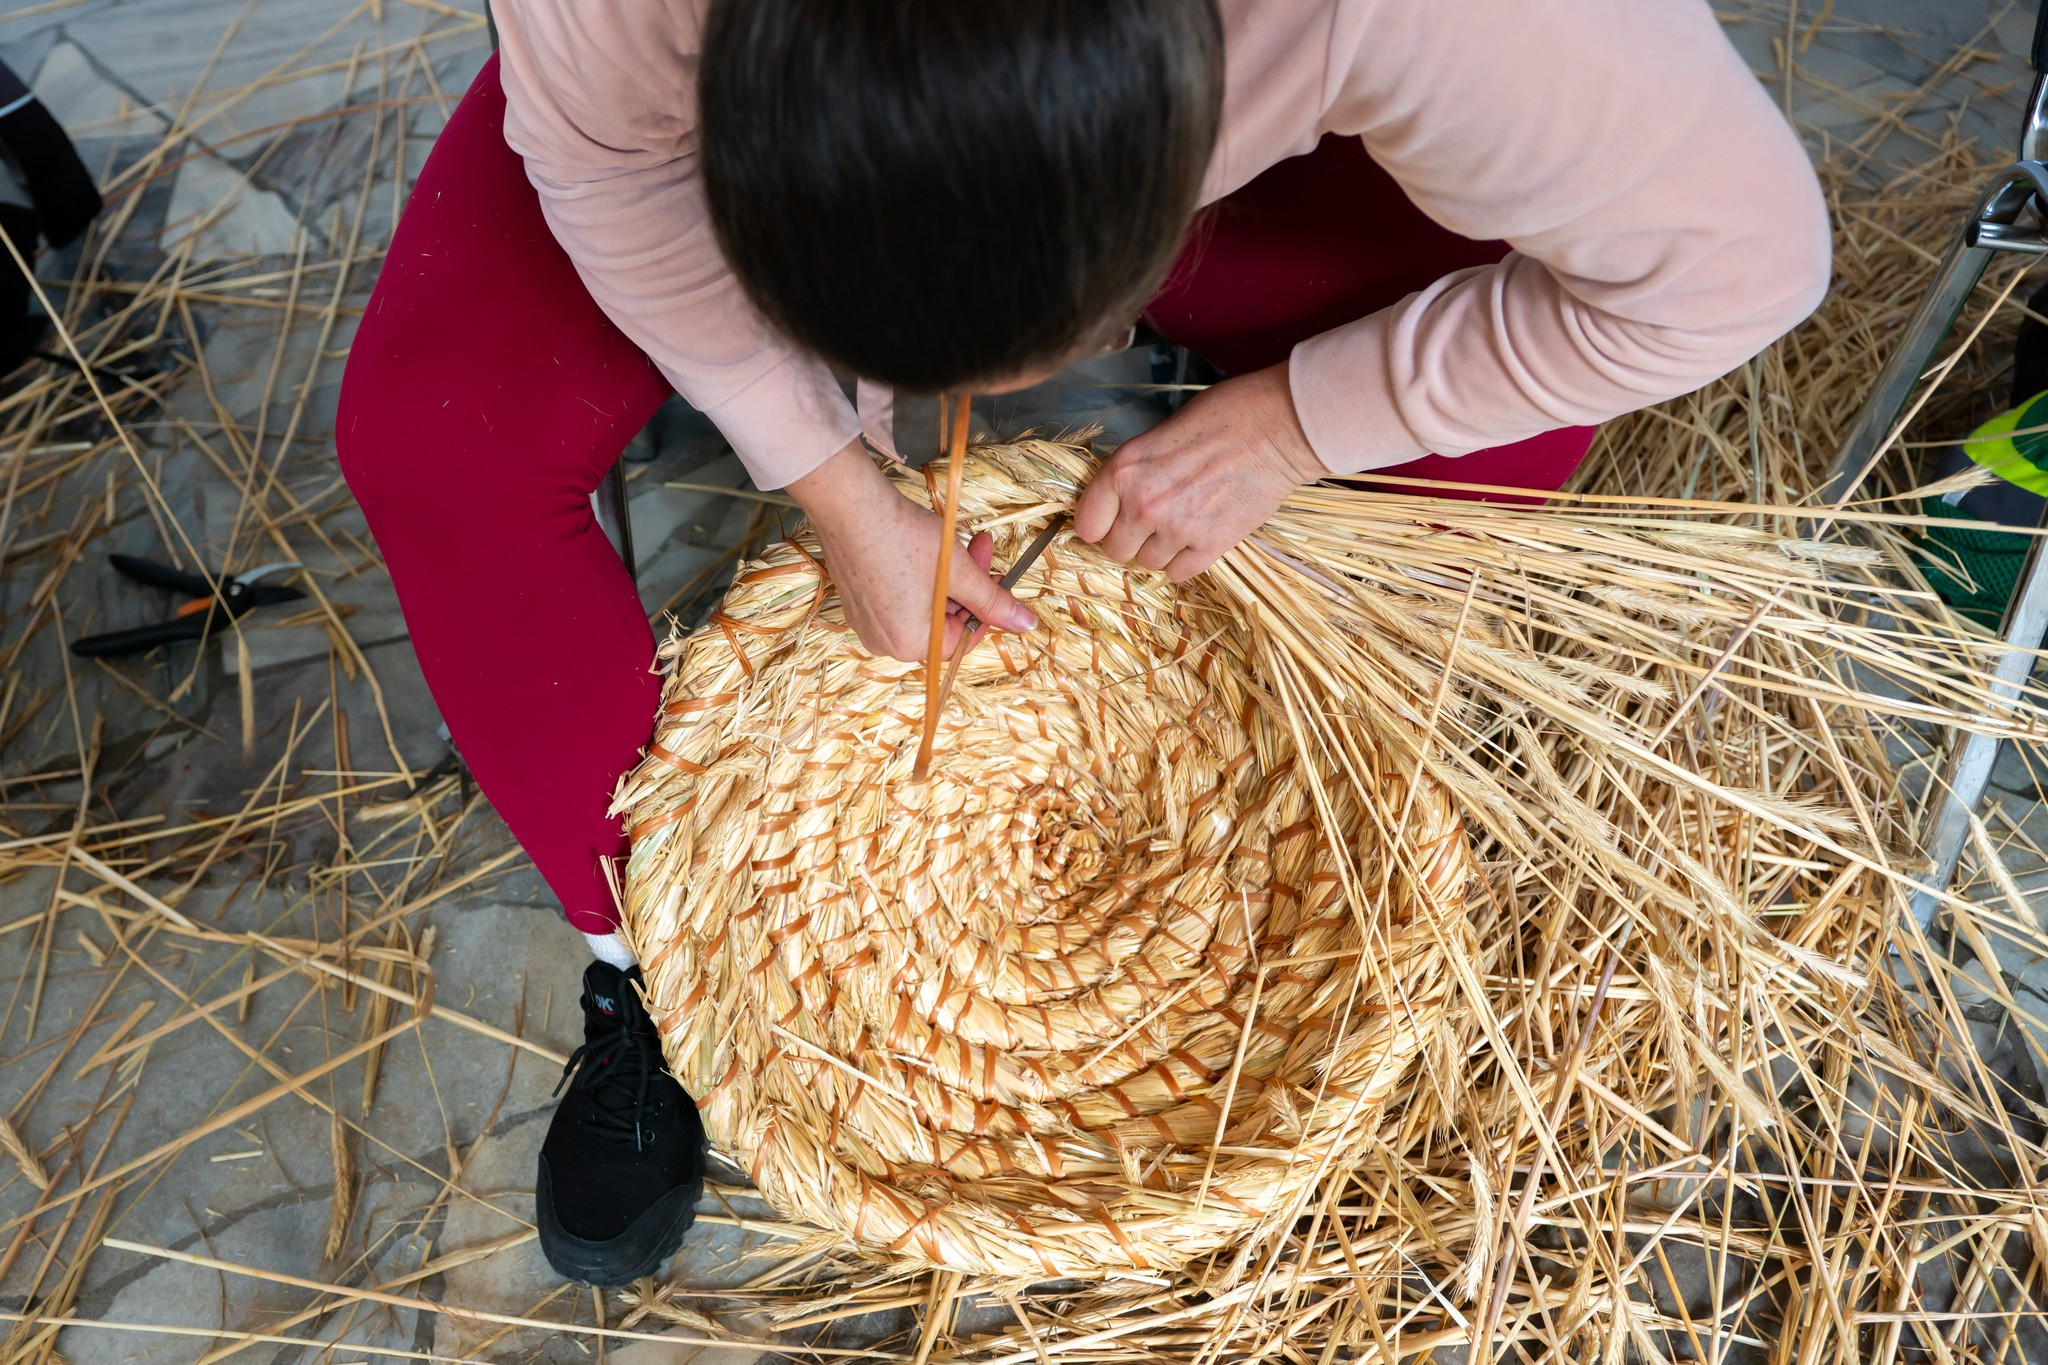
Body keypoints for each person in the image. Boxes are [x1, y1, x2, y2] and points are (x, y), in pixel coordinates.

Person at [335, 0, 1830, 1284]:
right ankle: (653, 964)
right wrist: (830, 477)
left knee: (1473, 450)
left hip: (1286, 125)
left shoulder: (1451, 24)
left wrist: (1300, 422)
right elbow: (609, 169)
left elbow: (1736, 265)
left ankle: (1326, 825)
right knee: (432, 440)